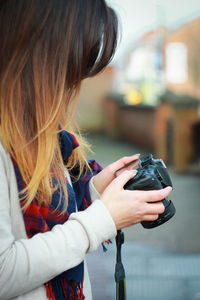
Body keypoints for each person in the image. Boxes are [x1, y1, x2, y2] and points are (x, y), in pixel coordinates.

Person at [0, 0, 172, 299]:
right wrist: (102, 219)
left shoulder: (42, 137)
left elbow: (45, 226)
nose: (70, 89)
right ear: (43, 59)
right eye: (70, 73)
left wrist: (95, 192)